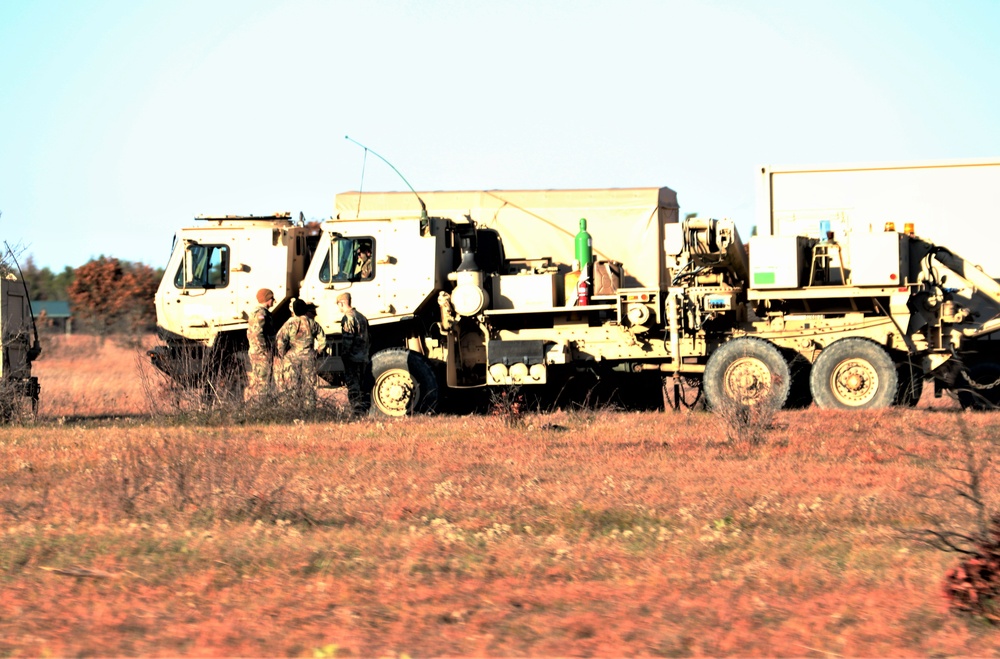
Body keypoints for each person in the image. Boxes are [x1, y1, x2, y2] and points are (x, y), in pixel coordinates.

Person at [275, 298, 325, 407]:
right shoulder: (312, 323)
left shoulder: (289, 323)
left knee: (292, 386)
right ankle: (309, 411)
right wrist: (317, 353)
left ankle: (293, 410)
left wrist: (284, 354)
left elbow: (280, 339)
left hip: (292, 358)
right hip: (309, 357)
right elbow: (323, 341)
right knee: (309, 388)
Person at [337, 291, 371, 416]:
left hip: (353, 358)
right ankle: (365, 411)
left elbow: (348, 339)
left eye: (338, 305)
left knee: (353, 387)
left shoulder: (348, 318)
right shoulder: (362, 316)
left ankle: (357, 412)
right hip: (363, 357)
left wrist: (344, 355)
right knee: (363, 386)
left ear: (342, 303)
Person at [246, 288, 276, 402]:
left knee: (260, 380)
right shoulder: (261, 313)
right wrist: (265, 349)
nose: (273, 300)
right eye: (272, 298)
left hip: (257, 352)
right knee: (263, 382)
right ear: (267, 299)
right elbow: (258, 333)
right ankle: (261, 406)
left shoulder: (257, 312)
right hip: (261, 354)